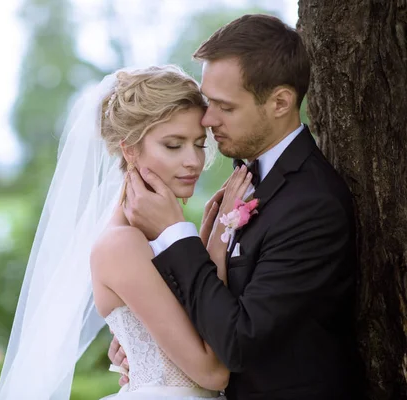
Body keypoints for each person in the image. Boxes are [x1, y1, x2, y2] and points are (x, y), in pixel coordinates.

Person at [110, 14, 364, 400]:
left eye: (225, 107)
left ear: (280, 102)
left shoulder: (312, 204)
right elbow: (213, 301)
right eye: (209, 101)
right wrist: (150, 339)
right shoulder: (246, 175)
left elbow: (239, 341)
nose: (208, 119)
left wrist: (177, 234)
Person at [0, 65, 250, 400]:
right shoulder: (121, 244)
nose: (193, 161)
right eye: (173, 145)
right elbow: (213, 373)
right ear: (129, 149)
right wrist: (217, 243)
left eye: (199, 144)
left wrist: (197, 240)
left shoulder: (163, 231)